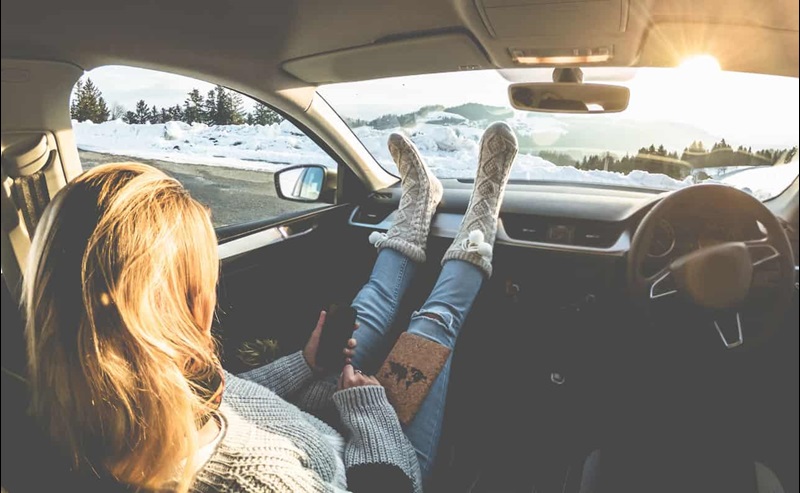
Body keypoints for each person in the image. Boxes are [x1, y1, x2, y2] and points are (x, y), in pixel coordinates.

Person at [23, 122, 519, 492]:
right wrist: (370, 411)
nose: (213, 288)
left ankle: (417, 209)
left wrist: (304, 365)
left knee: (362, 315)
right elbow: (391, 484)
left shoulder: (110, 390)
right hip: (381, 459)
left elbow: (236, 396)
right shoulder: (260, 481)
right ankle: (480, 223)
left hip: (318, 425)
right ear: (169, 303)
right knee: (432, 326)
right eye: (205, 274)